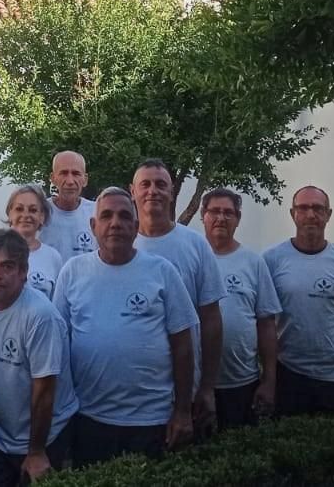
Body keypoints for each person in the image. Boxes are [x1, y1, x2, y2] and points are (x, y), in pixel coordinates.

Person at [52, 188, 195, 467]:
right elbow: (58, 341)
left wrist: (182, 411)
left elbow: (183, 345)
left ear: (136, 226)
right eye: (106, 215)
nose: (115, 223)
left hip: (151, 420)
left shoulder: (162, 271)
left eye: (124, 216)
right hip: (90, 418)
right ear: (93, 226)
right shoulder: (72, 271)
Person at [0, 229, 77, 487]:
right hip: (0, 436)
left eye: (7, 266)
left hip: (45, 438)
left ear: (23, 272)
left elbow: (44, 391)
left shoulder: (40, 317)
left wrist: (36, 452)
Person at [130, 159, 224, 434]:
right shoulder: (119, 244)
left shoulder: (194, 245)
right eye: (145, 184)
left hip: (184, 391)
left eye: (161, 185)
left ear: (172, 192)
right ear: (132, 191)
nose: (152, 191)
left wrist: (207, 386)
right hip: (130, 396)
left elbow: (211, 320)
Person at [263, 185, 334, 417]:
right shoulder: (271, 261)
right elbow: (263, 320)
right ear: (293, 213)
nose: (311, 214)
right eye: (303, 208)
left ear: (328, 214)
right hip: (289, 375)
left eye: (318, 208)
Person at [198, 188, 280, 427]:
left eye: (228, 213)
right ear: (202, 215)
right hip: (197, 383)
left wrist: (269, 380)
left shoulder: (253, 263)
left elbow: (266, 324)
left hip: (242, 383)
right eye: (214, 211)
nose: (221, 218)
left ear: (238, 218)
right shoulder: (192, 258)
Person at [4, 186, 63, 299]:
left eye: (33, 210)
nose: (26, 215)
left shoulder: (53, 257)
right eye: (19, 209)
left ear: (42, 216)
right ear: (10, 214)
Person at [39, 151, 95, 260]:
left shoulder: (97, 213)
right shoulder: (39, 213)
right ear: (53, 178)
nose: (70, 181)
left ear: (85, 179)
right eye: (64, 173)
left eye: (76, 173)